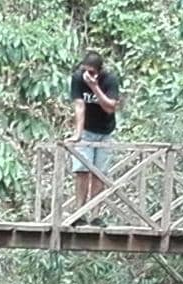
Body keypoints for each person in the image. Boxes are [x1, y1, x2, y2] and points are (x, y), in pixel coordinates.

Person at [67, 50, 120, 224]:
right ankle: (79, 213)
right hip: (87, 131)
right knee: (81, 170)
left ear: (99, 70)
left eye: (91, 72)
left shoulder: (110, 80)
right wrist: (77, 134)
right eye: (85, 70)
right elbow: (79, 106)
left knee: (99, 174)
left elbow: (110, 107)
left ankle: (95, 214)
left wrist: (94, 87)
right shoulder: (77, 78)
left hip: (105, 132)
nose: (87, 75)